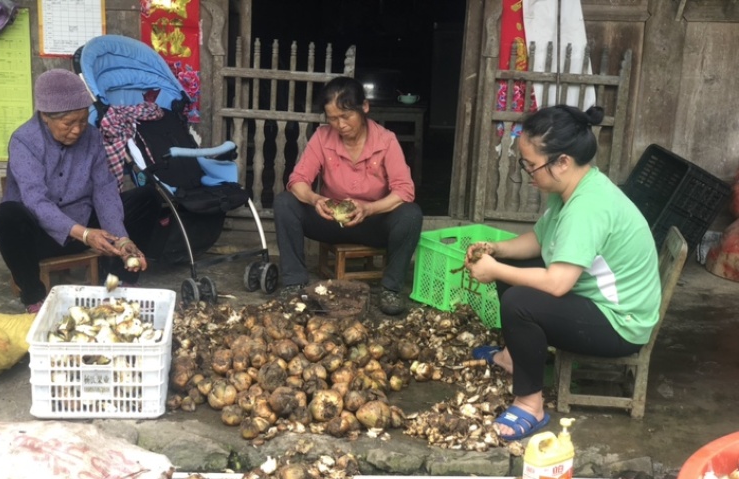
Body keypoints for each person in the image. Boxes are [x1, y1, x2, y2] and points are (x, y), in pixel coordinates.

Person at [466, 104, 661, 441]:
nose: (528, 173)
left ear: (562, 162)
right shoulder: (572, 189)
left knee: (518, 302)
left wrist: (494, 269)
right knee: (513, 272)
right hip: (594, 301)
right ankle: (514, 357)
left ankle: (530, 405)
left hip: (620, 324)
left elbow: (557, 284)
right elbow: (540, 241)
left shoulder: (587, 208)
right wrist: (497, 251)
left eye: (531, 166)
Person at [0, 68, 161, 313]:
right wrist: (86, 234)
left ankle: (118, 282)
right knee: (7, 215)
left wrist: (121, 239)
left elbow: (104, 189)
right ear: (46, 116)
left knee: (147, 198)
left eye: (82, 120)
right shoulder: (24, 141)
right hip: (40, 235)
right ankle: (34, 298)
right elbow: (36, 201)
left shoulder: (92, 137)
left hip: (83, 221)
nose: (78, 130)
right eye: (69, 123)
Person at [273, 76, 423, 316]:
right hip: (330, 220)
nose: (340, 125)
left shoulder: (386, 141)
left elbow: (404, 190)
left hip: (372, 223)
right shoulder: (322, 137)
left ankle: (391, 289)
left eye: (346, 116)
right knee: (284, 203)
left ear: (364, 107)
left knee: (411, 214)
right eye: (332, 118)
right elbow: (298, 180)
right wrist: (315, 200)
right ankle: (293, 283)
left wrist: (369, 209)